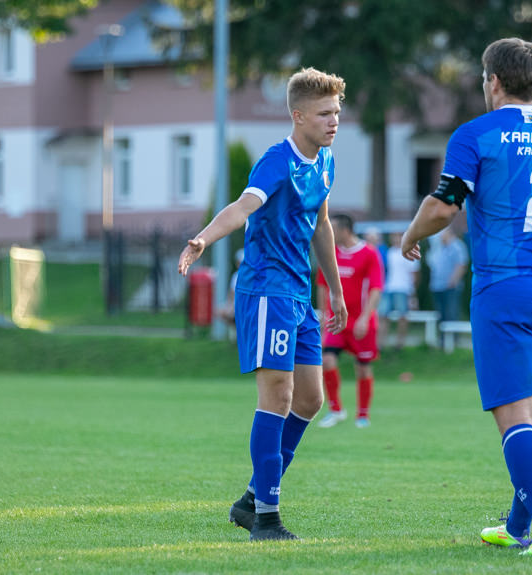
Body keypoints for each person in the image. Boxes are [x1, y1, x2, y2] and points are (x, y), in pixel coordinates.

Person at [401, 37, 532, 555]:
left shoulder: (476, 135)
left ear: (492, 81)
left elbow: (444, 206)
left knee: (514, 419)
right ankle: (518, 526)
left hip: (505, 286)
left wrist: (410, 236)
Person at [177, 67, 348, 541]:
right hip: (267, 291)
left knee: (311, 400)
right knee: (278, 397)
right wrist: (204, 239)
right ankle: (266, 517)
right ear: (298, 115)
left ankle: (253, 497)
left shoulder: (326, 161)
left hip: (299, 294)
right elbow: (241, 207)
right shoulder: (276, 161)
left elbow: (321, 226)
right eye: (324, 114)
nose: (333, 121)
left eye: (336, 112)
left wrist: (333, 289)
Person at [316, 214, 384, 429]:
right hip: (336, 322)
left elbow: (375, 288)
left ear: (345, 230)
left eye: (333, 228)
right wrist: (323, 314)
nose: (330, 233)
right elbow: (322, 285)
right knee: (327, 360)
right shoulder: (330, 252)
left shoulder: (369, 254)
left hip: (360, 323)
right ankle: (335, 409)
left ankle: (362, 415)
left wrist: (365, 318)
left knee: (363, 369)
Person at [380, 232, 420, 349]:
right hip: (388, 288)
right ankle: (380, 344)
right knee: (382, 315)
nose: (396, 239)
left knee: (402, 316)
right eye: (394, 237)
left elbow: (414, 274)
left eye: (398, 237)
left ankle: (399, 343)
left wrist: (412, 293)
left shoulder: (410, 252)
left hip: (403, 288)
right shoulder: (389, 252)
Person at [427, 227, 469, 325]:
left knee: (451, 312)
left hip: (450, 286)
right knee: (440, 313)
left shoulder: (457, 246)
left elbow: (461, 265)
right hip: (437, 285)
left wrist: (453, 280)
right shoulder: (438, 246)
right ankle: (443, 337)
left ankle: (453, 337)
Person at [217, 248, 245, 329]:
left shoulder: (245, 276)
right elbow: (231, 295)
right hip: (237, 304)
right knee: (221, 311)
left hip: (243, 305)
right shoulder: (236, 276)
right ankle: (236, 331)